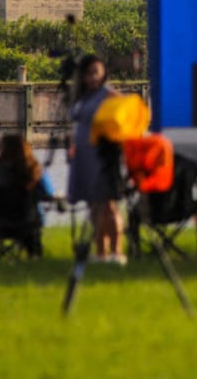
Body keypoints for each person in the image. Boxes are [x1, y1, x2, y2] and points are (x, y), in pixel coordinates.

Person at [67, 54, 126, 264]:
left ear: (103, 73)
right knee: (93, 205)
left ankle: (117, 251)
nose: (92, 78)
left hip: (103, 156)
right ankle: (100, 251)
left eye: (96, 72)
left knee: (109, 205)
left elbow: (125, 118)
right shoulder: (83, 97)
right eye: (88, 73)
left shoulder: (109, 95)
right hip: (83, 156)